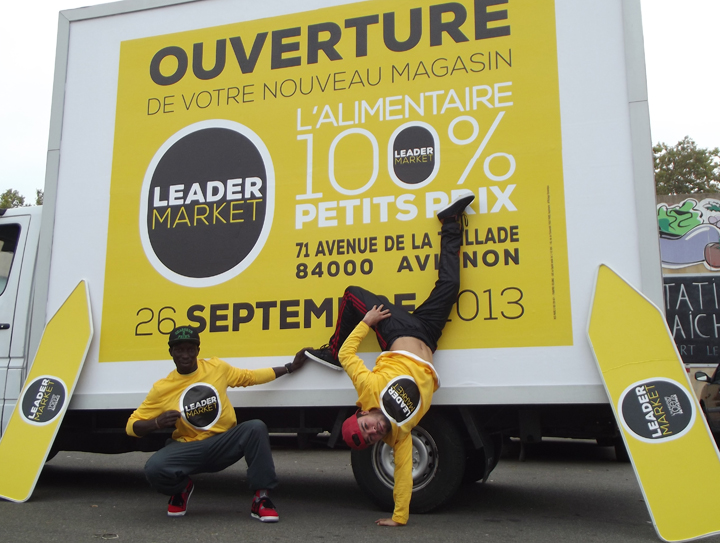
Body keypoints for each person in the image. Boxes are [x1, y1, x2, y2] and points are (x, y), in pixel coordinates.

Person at [304, 193, 474, 527]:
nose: (374, 431)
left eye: (366, 427)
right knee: (451, 284)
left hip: (397, 332)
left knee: (352, 294)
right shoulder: (399, 435)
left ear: (362, 414)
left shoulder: (368, 389)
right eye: (371, 437)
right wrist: (399, 517)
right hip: (428, 335)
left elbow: (348, 354)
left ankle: (328, 348)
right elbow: (403, 473)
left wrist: (367, 323)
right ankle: (450, 222)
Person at [126, 325, 308, 522]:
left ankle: (261, 499)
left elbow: (250, 377)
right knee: (154, 468)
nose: (185, 355)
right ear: (171, 352)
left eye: (190, 349)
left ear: (198, 350)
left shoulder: (216, 368)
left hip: (223, 442)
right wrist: (156, 423)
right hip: (189, 448)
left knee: (255, 427)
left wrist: (289, 368)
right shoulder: (162, 388)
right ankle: (181, 488)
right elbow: (131, 426)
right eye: (179, 350)